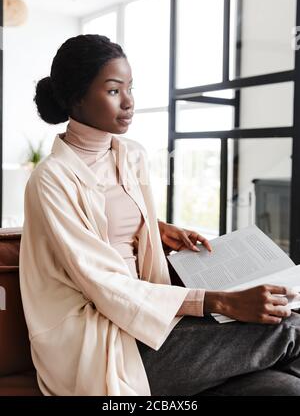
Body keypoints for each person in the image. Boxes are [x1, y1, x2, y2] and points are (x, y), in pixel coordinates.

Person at [19, 34, 300, 397]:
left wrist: (154, 227)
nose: (130, 102)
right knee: (287, 329)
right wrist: (221, 301)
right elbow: (103, 283)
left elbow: (109, 220)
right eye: (114, 91)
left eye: (130, 88)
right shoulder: (50, 179)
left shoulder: (130, 154)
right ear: (77, 98)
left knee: (283, 389)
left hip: (150, 315)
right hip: (103, 338)